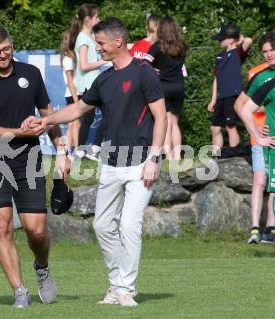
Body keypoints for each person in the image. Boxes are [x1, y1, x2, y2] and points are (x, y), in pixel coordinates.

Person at [22, 17, 167, 306]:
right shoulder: (104, 78)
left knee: (129, 225)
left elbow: (161, 116)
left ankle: (126, 288)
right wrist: (45, 120)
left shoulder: (144, 72)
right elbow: (77, 108)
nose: (96, 49)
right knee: (102, 226)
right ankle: (115, 284)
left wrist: (155, 157)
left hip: (141, 163)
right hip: (110, 163)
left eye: (99, 44)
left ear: (118, 42)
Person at [0, 25, 70, 308]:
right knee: (2, 226)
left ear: (12, 44)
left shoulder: (31, 74)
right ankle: (19, 291)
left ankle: (42, 267)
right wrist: (20, 132)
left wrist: (62, 149)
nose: (3, 55)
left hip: (28, 160)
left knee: (36, 231)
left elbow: (48, 115)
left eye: (7, 49)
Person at [236, 31, 275, 244]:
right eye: (265, 52)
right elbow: (240, 106)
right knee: (261, 180)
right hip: (261, 138)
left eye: (272, 50)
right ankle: (254, 228)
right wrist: (259, 132)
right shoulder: (259, 76)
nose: (268, 55)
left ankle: (271, 228)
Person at [144, 16, 187, 160]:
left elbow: (144, 63)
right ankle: (178, 156)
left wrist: (154, 70)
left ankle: (168, 156)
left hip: (163, 86)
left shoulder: (157, 46)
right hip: (179, 86)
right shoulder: (182, 46)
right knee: (175, 122)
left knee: (166, 121)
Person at [69, 3, 107, 160]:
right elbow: (84, 65)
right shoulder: (83, 38)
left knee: (90, 118)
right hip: (89, 85)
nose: (99, 19)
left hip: (94, 83)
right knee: (108, 113)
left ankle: (82, 151)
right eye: (97, 17)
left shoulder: (90, 37)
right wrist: (103, 62)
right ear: (88, 19)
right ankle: (92, 148)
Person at [208, 23, 252, 156]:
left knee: (230, 125)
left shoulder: (238, 53)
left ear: (231, 39)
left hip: (232, 95)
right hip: (220, 96)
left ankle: (235, 153)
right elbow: (216, 79)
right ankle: (216, 155)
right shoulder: (219, 57)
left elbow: (249, 40)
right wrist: (213, 99)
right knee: (214, 127)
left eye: (222, 38)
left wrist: (238, 39)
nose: (220, 41)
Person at [60, 31, 81, 157]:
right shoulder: (68, 59)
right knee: (76, 123)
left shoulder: (73, 57)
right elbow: (69, 81)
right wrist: (76, 99)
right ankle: (77, 150)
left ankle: (67, 151)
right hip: (72, 94)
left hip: (75, 93)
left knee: (73, 123)